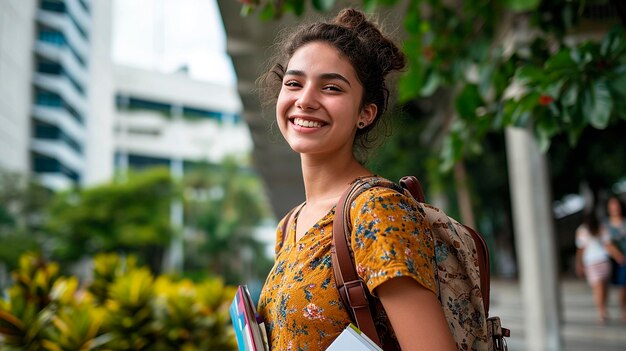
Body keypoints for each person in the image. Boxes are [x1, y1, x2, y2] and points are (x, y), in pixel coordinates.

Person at [256, 8, 457, 351]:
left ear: (365, 113)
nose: (305, 100)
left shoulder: (376, 210)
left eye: (331, 87)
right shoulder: (289, 225)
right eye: (294, 83)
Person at [575, 212, 611, 324]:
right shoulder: (599, 228)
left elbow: (581, 249)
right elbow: (608, 245)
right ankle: (602, 311)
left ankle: (601, 311)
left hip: (594, 262)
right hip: (601, 261)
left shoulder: (583, 230)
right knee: (602, 288)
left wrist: (579, 263)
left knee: (599, 289)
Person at [603, 196, 626, 322]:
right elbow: (606, 243)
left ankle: (623, 310)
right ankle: (604, 309)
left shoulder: (624, 221)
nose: (615, 208)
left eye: (616, 205)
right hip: (613, 259)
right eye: (612, 205)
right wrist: (617, 255)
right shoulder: (606, 224)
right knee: (618, 285)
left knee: (623, 284)